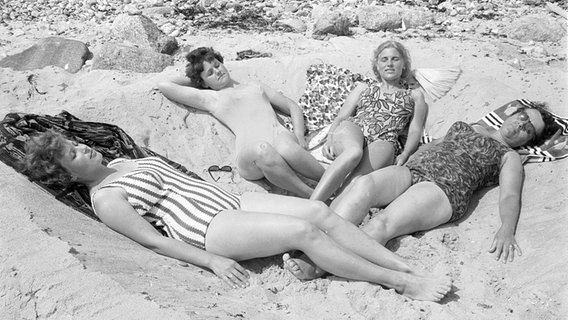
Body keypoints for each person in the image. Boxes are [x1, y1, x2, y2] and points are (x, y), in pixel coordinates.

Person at [23, 130, 453, 301]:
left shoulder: (120, 161)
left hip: (225, 199)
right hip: (206, 227)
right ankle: (400, 282)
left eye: (76, 143)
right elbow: (153, 240)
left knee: (319, 210)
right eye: (73, 154)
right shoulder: (106, 197)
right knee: (304, 231)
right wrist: (213, 260)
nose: (83, 148)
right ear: (66, 173)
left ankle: (402, 263)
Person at [329, 103, 557, 264]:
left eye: (528, 131)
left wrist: (507, 228)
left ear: (528, 140)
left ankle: (324, 261)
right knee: (363, 186)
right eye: (523, 118)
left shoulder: (510, 156)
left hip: (445, 189)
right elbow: (434, 144)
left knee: (382, 223)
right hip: (414, 170)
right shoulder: (473, 125)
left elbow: (509, 195)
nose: (520, 127)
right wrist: (407, 157)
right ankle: (323, 235)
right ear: (513, 113)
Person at [157, 47, 324, 198]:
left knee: (285, 146)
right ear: (203, 83)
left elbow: (291, 106)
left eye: (217, 65)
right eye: (210, 73)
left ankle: (329, 180)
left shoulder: (254, 86)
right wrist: (198, 80)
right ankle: (312, 195)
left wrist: (299, 135)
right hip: (250, 155)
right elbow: (165, 85)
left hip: (280, 137)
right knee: (263, 150)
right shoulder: (213, 98)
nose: (217, 71)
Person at [310, 40, 428, 201]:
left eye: (395, 59)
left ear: (404, 65)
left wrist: (406, 153)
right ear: (377, 66)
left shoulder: (415, 95)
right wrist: (330, 137)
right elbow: (342, 116)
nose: (390, 64)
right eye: (384, 59)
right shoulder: (363, 88)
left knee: (357, 179)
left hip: (385, 139)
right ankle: (313, 203)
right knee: (353, 152)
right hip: (354, 129)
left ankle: (331, 209)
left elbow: (415, 129)